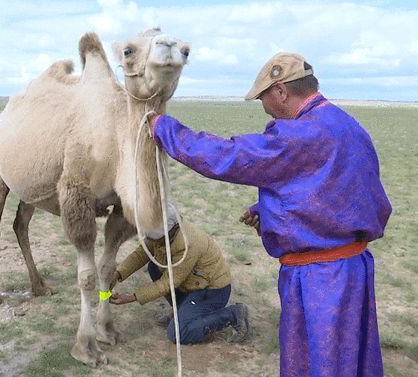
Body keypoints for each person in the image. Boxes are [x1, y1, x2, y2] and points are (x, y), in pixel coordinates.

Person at [149, 52, 392, 376]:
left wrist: (163, 128)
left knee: (322, 362)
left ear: (281, 91)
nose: (264, 108)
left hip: (322, 278)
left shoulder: (301, 134)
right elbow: (344, 191)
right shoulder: (347, 124)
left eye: (264, 98)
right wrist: (271, 211)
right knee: (348, 360)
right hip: (353, 268)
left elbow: (229, 156)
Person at [109, 204, 249, 344]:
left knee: (179, 333)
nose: (152, 240)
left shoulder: (187, 245)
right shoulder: (164, 233)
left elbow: (168, 283)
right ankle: (181, 312)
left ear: (172, 229)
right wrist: (118, 273)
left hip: (211, 291)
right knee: (154, 267)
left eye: (155, 237)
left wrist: (132, 298)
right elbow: (142, 253)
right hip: (192, 283)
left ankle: (233, 314)